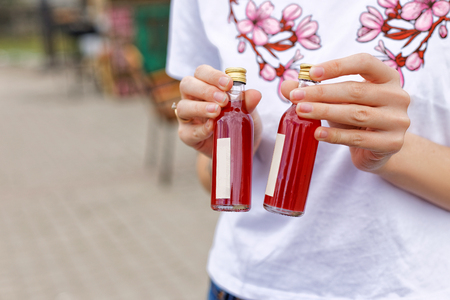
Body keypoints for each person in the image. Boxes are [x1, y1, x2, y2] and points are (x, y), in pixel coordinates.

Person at [166, 0, 450, 299]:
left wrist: (391, 152)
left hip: (409, 287)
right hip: (248, 282)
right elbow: (208, 178)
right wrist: (229, 150)